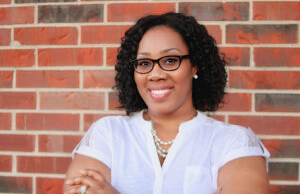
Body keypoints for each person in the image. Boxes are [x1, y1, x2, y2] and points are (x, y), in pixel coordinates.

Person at [64, 12, 270, 194]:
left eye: (170, 60)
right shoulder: (107, 134)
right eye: (144, 63)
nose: (155, 74)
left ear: (195, 66)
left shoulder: (233, 142)